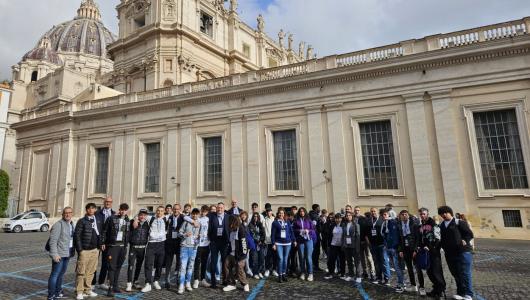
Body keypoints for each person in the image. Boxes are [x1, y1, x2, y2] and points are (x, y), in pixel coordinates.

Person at [438, 206, 474, 300]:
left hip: (463, 252)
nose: (444, 215)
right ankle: (461, 293)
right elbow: (442, 239)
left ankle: (469, 294)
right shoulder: (442, 225)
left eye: (445, 213)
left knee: (465, 273)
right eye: (441, 214)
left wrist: (465, 240)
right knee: (456, 274)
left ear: (450, 213)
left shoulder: (459, 222)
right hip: (450, 254)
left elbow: (469, 234)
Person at [101, 203, 130, 296]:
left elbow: (128, 233)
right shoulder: (111, 218)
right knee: (111, 267)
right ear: (119, 209)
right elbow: (104, 231)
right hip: (113, 246)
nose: (123, 211)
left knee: (118, 267)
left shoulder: (127, 220)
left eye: (125, 210)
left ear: (127, 211)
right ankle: (110, 288)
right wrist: (103, 242)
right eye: (121, 209)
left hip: (122, 247)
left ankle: (115, 286)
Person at [416, 207, 445, 298]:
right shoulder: (421, 225)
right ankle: (435, 289)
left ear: (427, 214)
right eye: (421, 214)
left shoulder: (433, 223)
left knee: (436, 272)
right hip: (425, 252)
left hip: (434, 252)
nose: (422, 215)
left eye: (424, 214)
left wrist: (430, 247)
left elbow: (438, 238)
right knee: (429, 272)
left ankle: (441, 291)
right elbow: (422, 238)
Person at [74, 203, 101, 300]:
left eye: (93, 208)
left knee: (91, 271)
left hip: (95, 250)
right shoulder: (82, 221)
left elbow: (100, 233)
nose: (91, 210)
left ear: (95, 210)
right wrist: (80, 250)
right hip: (85, 250)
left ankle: (87, 289)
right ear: (86, 210)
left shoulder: (97, 220)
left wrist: (99, 246)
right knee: (81, 271)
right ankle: (79, 291)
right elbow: (77, 236)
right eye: (89, 208)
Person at [47, 207, 74, 300]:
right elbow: (53, 241)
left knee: (61, 274)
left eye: (69, 213)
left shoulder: (70, 224)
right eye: (66, 213)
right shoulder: (58, 225)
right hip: (59, 255)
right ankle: (51, 295)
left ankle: (58, 292)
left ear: (72, 214)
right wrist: (54, 255)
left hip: (67, 254)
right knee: (55, 275)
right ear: (62, 214)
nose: (68, 214)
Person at [141, 206, 168, 292]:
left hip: (161, 244)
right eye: (158, 211)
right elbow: (139, 215)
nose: (159, 212)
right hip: (151, 244)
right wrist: (135, 220)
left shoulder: (166, 218)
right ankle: (148, 283)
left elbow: (181, 215)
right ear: (156, 212)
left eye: (161, 211)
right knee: (148, 264)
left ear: (164, 212)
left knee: (159, 264)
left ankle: (156, 280)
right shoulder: (151, 218)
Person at [397, 210, 423, 294]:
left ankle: (422, 287)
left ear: (408, 215)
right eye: (402, 215)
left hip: (413, 249)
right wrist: (400, 250)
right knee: (409, 268)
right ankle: (413, 286)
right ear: (400, 216)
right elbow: (400, 239)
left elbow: (417, 238)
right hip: (405, 249)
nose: (404, 216)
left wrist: (416, 249)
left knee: (418, 268)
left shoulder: (414, 224)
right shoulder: (400, 225)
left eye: (405, 214)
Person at [223, 214, 250, 292]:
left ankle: (245, 283)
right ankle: (231, 284)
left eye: (230, 221)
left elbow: (244, 243)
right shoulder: (231, 229)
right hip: (232, 253)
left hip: (240, 254)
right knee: (226, 265)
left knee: (239, 268)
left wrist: (242, 256)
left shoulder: (241, 229)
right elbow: (230, 242)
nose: (229, 223)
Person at [177, 208, 201, 294]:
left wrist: (198, 238)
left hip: (194, 248)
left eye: (196, 214)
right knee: (183, 267)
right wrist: (185, 234)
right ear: (191, 214)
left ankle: (188, 283)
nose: (195, 216)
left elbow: (200, 236)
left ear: (198, 215)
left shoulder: (199, 224)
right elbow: (179, 233)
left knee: (191, 267)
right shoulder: (186, 222)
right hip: (184, 247)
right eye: (193, 214)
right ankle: (181, 284)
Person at [381, 209, 405, 293]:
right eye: (382, 215)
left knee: (398, 267)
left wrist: (395, 248)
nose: (383, 216)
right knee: (395, 267)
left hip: (394, 248)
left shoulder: (393, 222)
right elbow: (385, 234)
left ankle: (401, 284)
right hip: (388, 247)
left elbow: (395, 237)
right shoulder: (385, 223)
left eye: (385, 215)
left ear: (389, 215)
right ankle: (400, 283)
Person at [93, 197, 114, 289]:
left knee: (105, 263)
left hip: (108, 242)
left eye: (109, 202)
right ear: (104, 202)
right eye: (106, 201)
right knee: (94, 263)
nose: (108, 203)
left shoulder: (114, 213)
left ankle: (101, 282)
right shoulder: (97, 213)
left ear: (111, 203)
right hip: (97, 241)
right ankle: (92, 283)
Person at [126, 209, 150, 292]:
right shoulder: (133, 221)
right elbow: (128, 231)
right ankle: (129, 283)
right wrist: (135, 219)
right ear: (138, 215)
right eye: (141, 215)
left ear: (146, 216)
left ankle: (135, 281)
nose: (142, 216)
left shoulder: (148, 223)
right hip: (134, 247)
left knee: (139, 266)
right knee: (131, 265)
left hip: (143, 248)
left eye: (144, 215)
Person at [208, 202, 230, 289]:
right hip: (214, 242)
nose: (219, 209)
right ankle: (213, 282)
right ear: (216, 209)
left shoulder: (228, 217)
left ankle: (225, 280)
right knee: (213, 262)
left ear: (224, 208)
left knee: (225, 262)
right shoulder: (212, 216)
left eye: (221, 208)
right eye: (218, 208)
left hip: (224, 243)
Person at [271, 208, 296, 283]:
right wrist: (273, 243)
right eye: (280, 213)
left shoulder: (287, 221)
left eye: (282, 213)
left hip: (287, 243)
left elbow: (291, 232)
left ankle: (284, 274)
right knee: (280, 259)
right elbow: (273, 234)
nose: (281, 214)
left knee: (285, 259)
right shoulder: (275, 222)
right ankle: (280, 275)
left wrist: (294, 240)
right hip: (278, 243)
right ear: (278, 214)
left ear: (284, 214)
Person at [164, 204, 185, 289]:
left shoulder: (183, 218)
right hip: (170, 243)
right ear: (172, 210)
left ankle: (178, 280)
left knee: (179, 263)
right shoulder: (168, 218)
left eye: (177, 209)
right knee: (168, 262)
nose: (176, 211)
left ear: (180, 209)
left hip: (179, 243)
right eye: (174, 209)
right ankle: (167, 281)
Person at [366, 208, 389, 285]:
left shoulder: (382, 220)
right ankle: (379, 277)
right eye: (371, 211)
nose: (373, 213)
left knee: (384, 261)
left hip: (382, 245)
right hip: (373, 245)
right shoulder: (369, 221)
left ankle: (387, 278)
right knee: (376, 262)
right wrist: (368, 242)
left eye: (374, 211)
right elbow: (367, 233)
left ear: (377, 212)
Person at [293, 207, 316, 281]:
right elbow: (294, 230)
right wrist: (300, 230)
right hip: (300, 241)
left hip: (308, 240)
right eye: (300, 211)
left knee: (308, 257)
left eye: (303, 211)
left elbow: (313, 230)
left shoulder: (309, 220)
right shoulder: (296, 221)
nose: (302, 213)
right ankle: (302, 272)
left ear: (305, 212)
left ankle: (310, 273)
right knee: (301, 257)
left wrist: (308, 231)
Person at [355, 206, 375, 281]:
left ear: (359, 211)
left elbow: (365, 230)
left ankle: (372, 272)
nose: (357, 211)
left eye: (358, 210)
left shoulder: (363, 219)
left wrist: (364, 240)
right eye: (355, 210)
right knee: (362, 258)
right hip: (358, 242)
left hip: (365, 241)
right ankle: (365, 272)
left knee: (369, 257)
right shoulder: (353, 219)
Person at [193, 205, 211, 288]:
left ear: (207, 212)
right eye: (203, 211)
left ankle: (203, 279)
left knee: (204, 263)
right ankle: (196, 280)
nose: (204, 212)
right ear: (201, 211)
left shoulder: (208, 219)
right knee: (197, 263)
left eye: (206, 211)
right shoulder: (198, 219)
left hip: (206, 244)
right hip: (198, 244)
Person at [342, 212, 362, 283]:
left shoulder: (356, 225)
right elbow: (343, 236)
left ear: (352, 216)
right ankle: (351, 275)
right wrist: (343, 245)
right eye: (346, 216)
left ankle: (359, 276)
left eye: (349, 215)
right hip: (347, 245)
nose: (348, 216)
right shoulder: (344, 225)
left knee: (357, 262)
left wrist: (357, 247)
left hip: (354, 246)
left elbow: (358, 237)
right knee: (349, 261)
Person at [324, 213, 344, 279]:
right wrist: (329, 244)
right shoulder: (332, 225)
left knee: (342, 260)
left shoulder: (343, 225)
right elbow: (329, 235)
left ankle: (342, 273)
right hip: (333, 245)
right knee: (331, 260)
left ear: (341, 219)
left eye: (339, 218)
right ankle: (331, 272)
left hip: (341, 245)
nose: (338, 220)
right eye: (336, 218)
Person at [248, 212, 266, 279]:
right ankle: (255, 273)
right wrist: (255, 241)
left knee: (261, 258)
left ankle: (259, 272)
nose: (255, 218)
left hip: (260, 244)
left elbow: (263, 234)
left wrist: (261, 241)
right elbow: (250, 235)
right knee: (254, 259)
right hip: (254, 244)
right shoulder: (250, 225)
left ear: (258, 217)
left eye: (256, 216)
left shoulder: (260, 224)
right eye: (254, 216)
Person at [262, 208, 276, 277]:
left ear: (271, 212)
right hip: (267, 241)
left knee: (275, 256)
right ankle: (267, 269)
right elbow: (263, 229)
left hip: (274, 241)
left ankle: (274, 270)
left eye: (270, 211)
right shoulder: (264, 219)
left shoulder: (274, 219)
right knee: (268, 256)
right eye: (267, 212)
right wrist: (264, 239)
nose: (268, 213)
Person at [308, 204, 322, 272]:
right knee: (316, 252)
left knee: (313, 251)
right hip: (315, 235)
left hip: (312, 235)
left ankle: (314, 266)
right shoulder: (315, 216)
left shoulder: (310, 214)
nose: (320, 209)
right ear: (316, 208)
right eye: (319, 208)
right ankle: (315, 266)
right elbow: (319, 226)